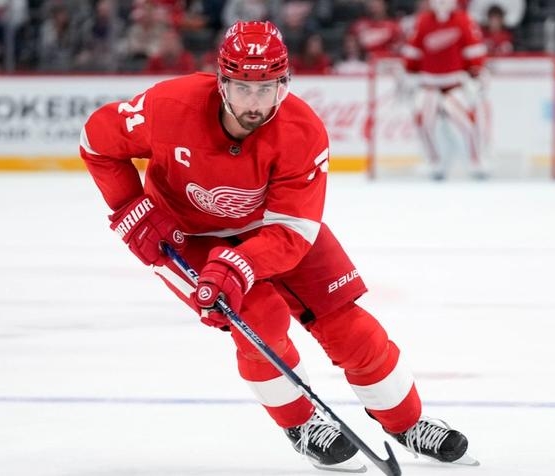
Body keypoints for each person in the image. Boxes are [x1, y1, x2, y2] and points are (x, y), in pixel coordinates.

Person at [78, 20, 472, 471]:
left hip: (274, 232)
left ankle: (408, 423)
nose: (254, 103)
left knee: (351, 329)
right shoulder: (169, 105)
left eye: (266, 88)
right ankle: (303, 425)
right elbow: (97, 140)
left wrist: (241, 263)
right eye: (243, 88)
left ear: (284, 83)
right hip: (186, 238)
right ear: (222, 80)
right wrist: (131, 206)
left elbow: (293, 233)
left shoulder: (303, 132)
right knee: (260, 322)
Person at [400, 0, 489, 180]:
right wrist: (410, 74)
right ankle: (434, 161)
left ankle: (476, 159)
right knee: (424, 121)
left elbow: (475, 53)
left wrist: (476, 74)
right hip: (429, 86)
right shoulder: (423, 22)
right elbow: (412, 55)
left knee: (467, 123)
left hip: (455, 85)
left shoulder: (463, 20)